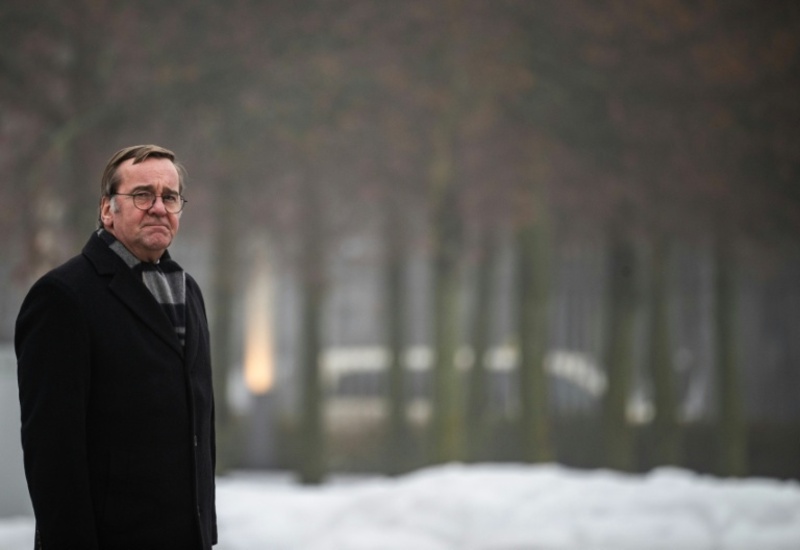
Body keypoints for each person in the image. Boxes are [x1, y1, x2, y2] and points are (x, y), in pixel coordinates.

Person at [15, 145, 217, 549]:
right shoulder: (62, 297)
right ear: (108, 209)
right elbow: (52, 452)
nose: (158, 207)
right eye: (142, 195)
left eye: (170, 197)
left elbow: (198, 428)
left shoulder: (188, 291)